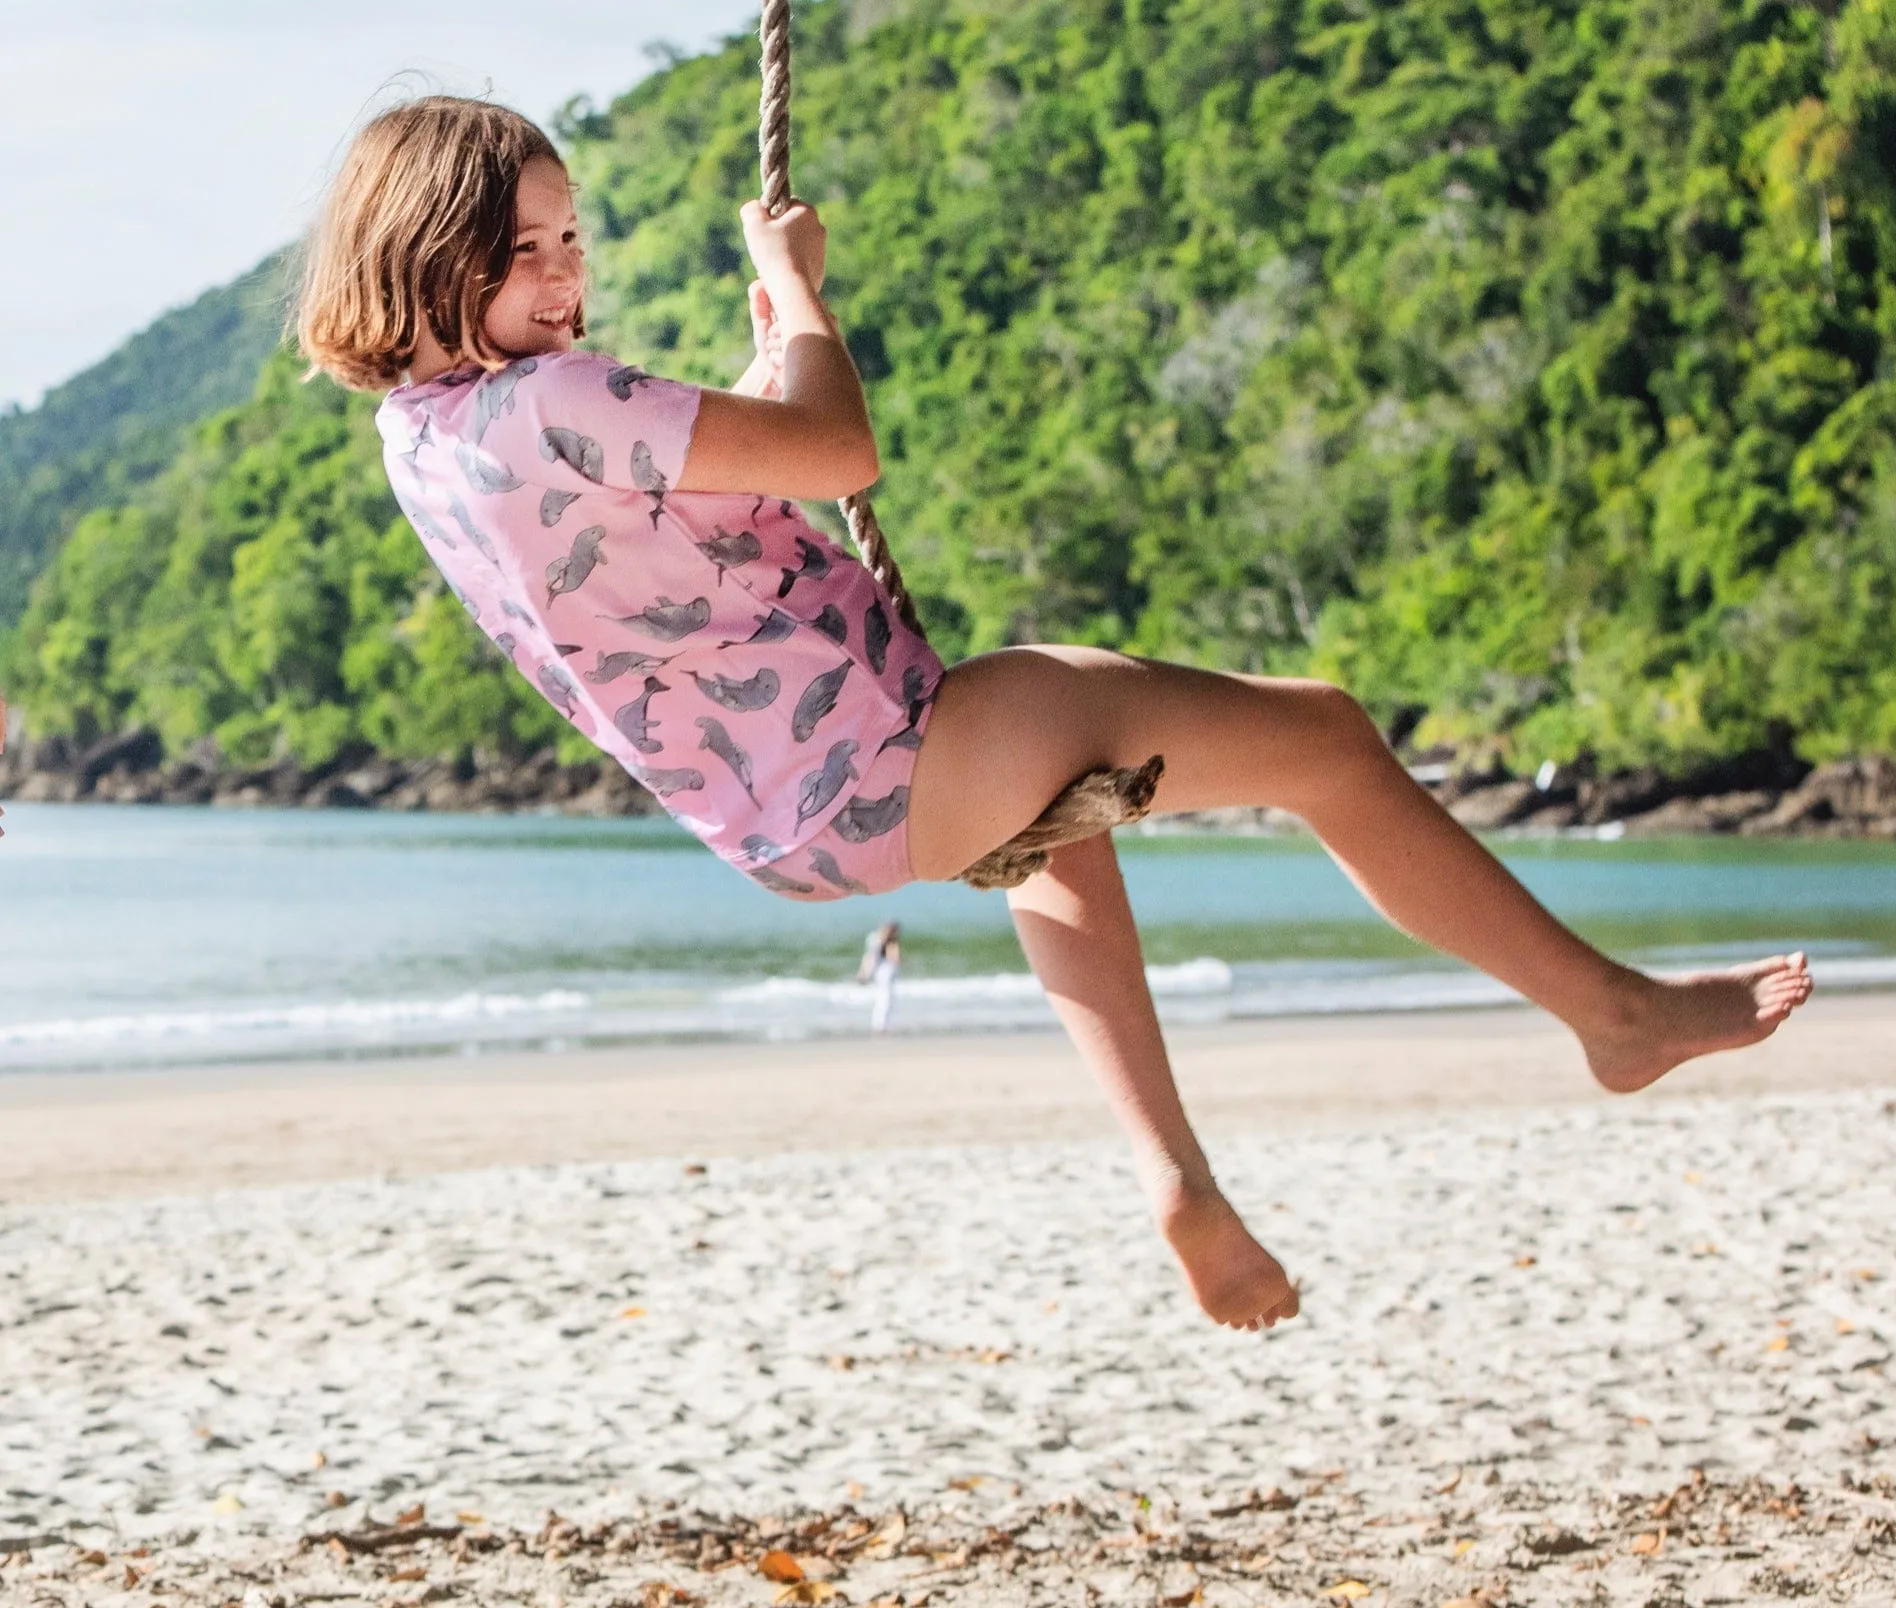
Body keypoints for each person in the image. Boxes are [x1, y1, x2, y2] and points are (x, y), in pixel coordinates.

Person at [298, 97, 1814, 1333]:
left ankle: (1181, 1184)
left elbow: (698, 502)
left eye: (572, 240)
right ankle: (1611, 1017)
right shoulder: (557, 397)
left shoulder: (425, 435)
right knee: (1332, 736)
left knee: (1066, 844)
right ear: (431, 261)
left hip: (804, 823)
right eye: (527, 253)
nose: (568, 280)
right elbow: (834, 452)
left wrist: (766, 334)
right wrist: (806, 293)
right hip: (905, 750)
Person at [857, 919, 902, 1034]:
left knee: (884, 999)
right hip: (884, 972)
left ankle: (881, 1024)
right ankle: (880, 1025)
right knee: (885, 999)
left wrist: (864, 972)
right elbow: (893, 958)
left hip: (882, 972)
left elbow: (870, 957)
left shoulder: (879, 939)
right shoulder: (883, 941)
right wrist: (864, 973)